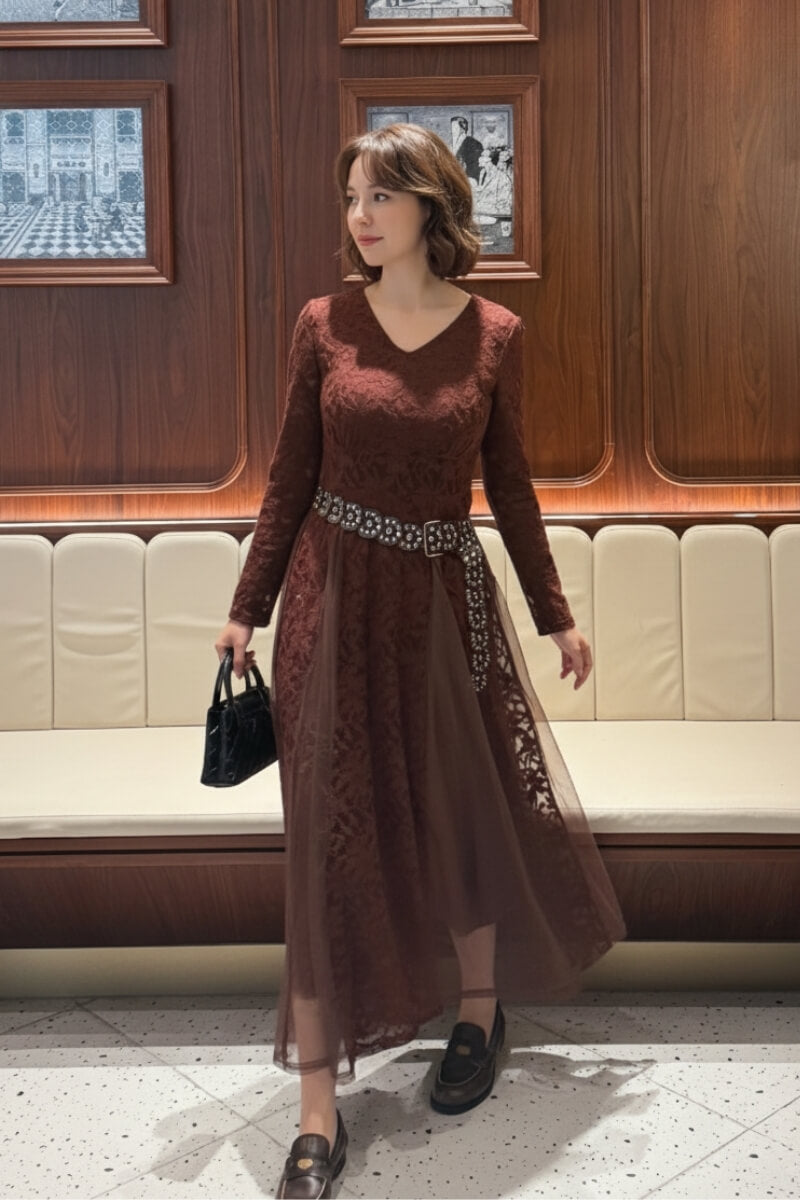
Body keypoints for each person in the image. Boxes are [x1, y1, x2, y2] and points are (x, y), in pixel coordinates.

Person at [215, 122, 626, 1200]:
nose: (357, 215)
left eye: (378, 196)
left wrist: (553, 615)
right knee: (324, 847)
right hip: (330, 607)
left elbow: (516, 486)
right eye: (350, 195)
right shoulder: (323, 325)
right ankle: (315, 1114)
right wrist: (244, 611)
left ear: (431, 210)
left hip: (447, 609)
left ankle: (478, 1016)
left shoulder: (492, 333)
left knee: (460, 815)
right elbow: (286, 481)